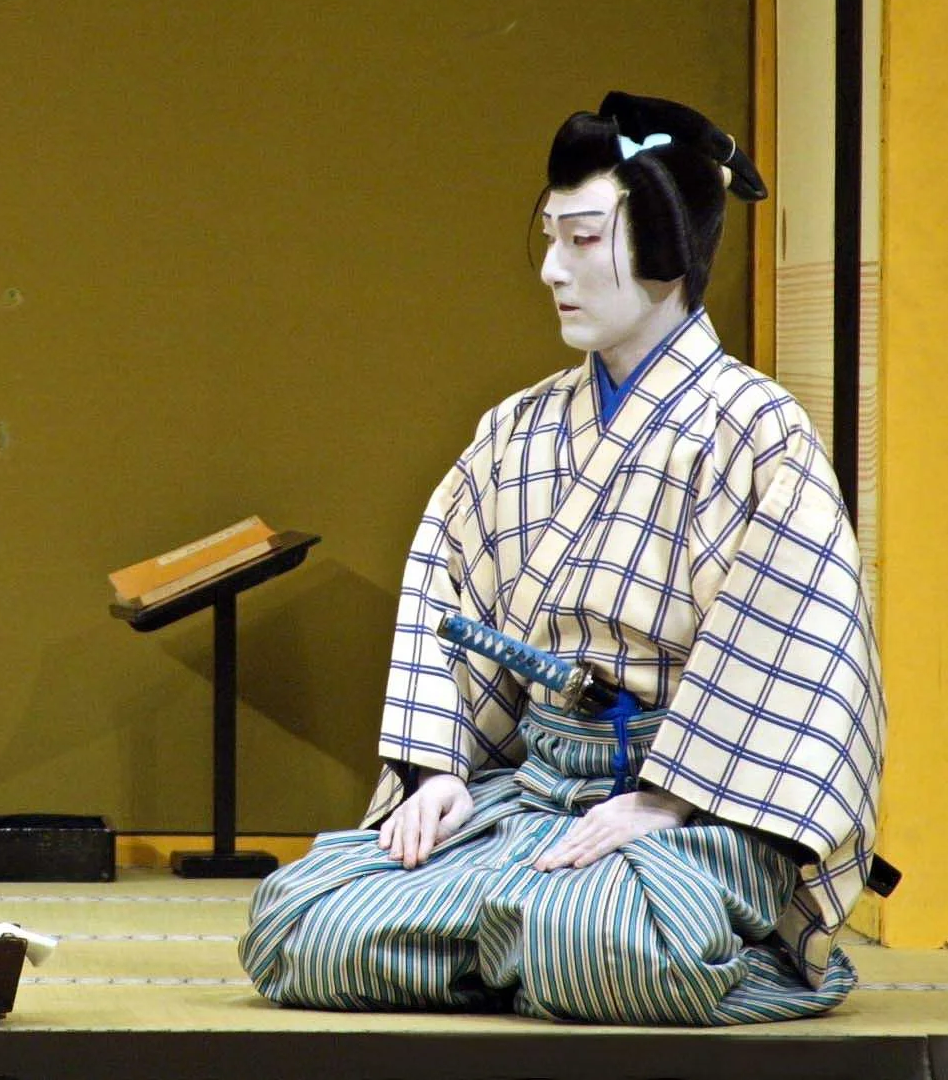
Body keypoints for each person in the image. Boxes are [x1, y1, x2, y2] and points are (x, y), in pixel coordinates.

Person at [239, 91, 885, 1025]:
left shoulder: (757, 435)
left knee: (604, 940)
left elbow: (792, 646)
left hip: (694, 817)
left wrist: (664, 803)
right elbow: (444, 585)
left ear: (666, 252)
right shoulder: (517, 428)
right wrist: (439, 772)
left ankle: (528, 937)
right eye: (549, 237)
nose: (550, 269)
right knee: (296, 920)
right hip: (533, 793)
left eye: (581, 240)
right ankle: (513, 930)